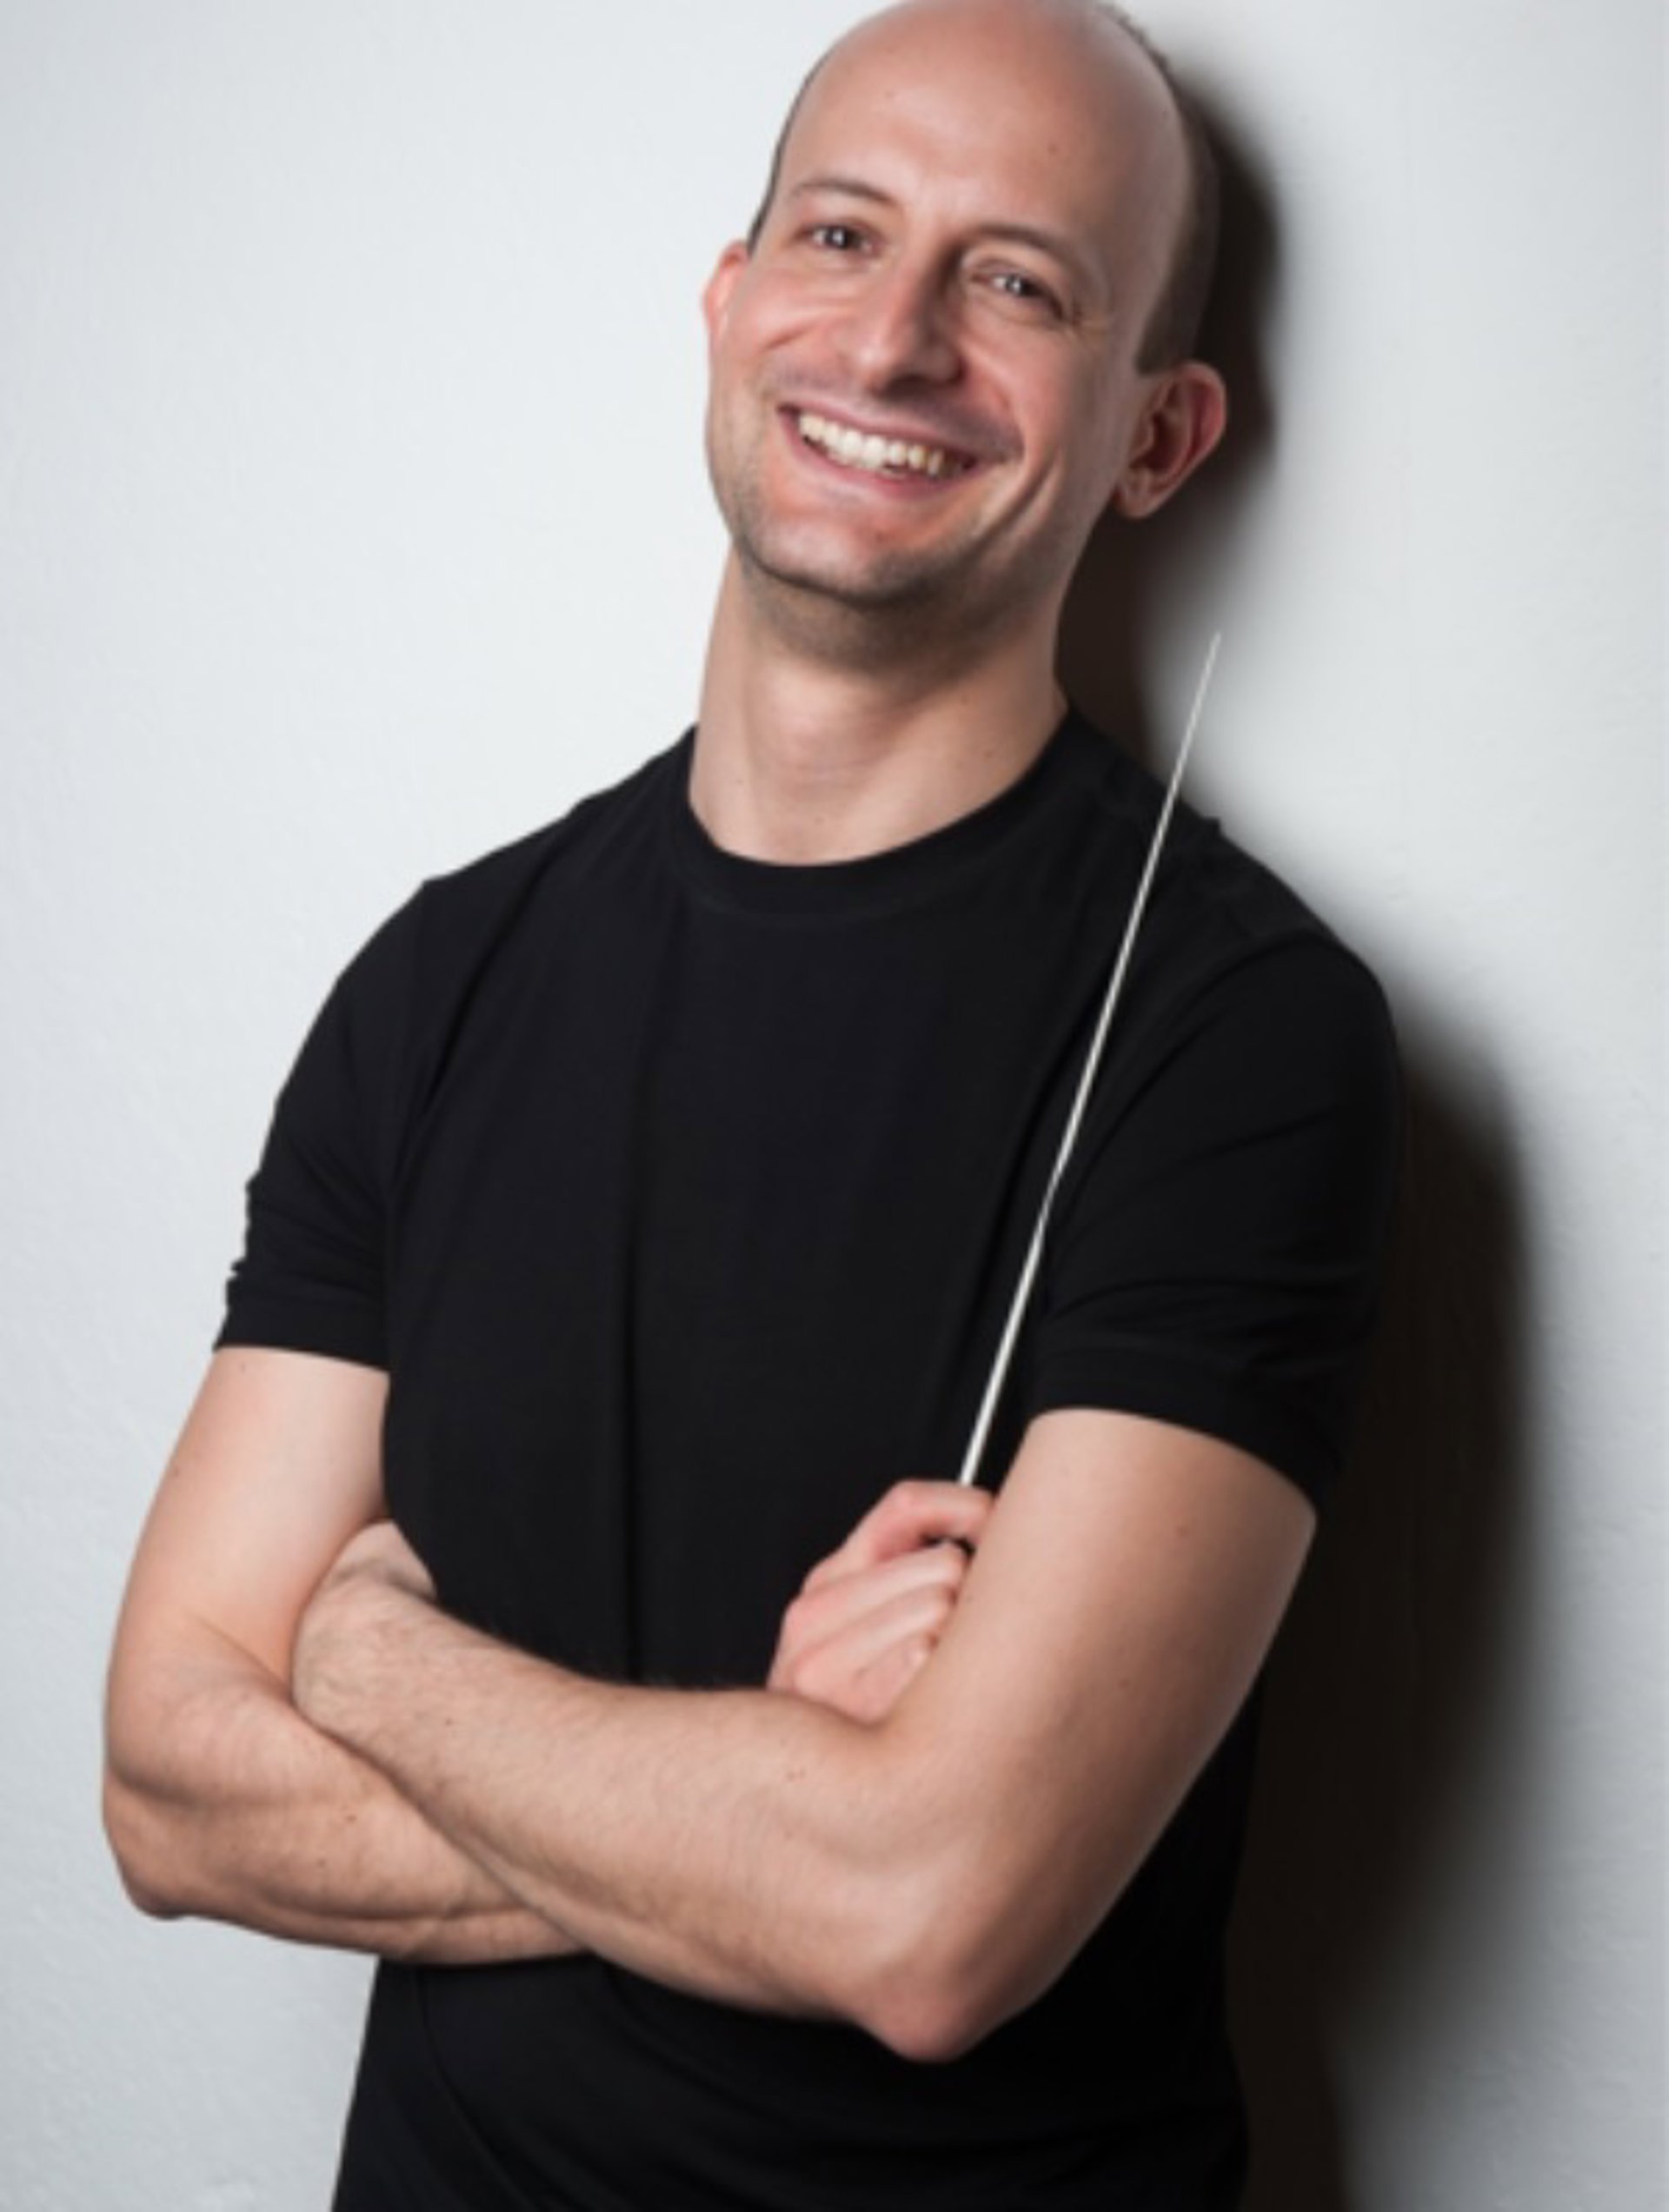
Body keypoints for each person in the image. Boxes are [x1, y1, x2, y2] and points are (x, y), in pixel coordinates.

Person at [103, 0, 1400, 2203]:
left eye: (1018, 282)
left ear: (1157, 436)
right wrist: (781, 1786)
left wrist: (368, 1651)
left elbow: (925, 1920)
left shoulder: (1241, 1036)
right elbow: (165, 1783)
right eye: (840, 234)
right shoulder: (438, 981)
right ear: (730, 305)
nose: (891, 341)